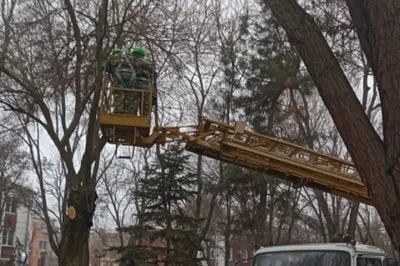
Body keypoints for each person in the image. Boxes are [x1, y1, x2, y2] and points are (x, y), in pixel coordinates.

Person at [106, 47, 137, 113]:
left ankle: (118, 111)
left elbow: (105, 66)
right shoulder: (129, 58)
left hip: (119, 77)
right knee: (129, 95)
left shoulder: (113, 57)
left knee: (118, 94)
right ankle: (128, 111)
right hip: (131, 78)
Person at [130, 46, 157, 116]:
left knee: (133, 105)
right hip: (145, 88)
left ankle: (132, 116)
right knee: (145, 106)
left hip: (133, 87)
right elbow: (154, 74)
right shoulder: (146, 63)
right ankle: (145, 117)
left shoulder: (130, 62)